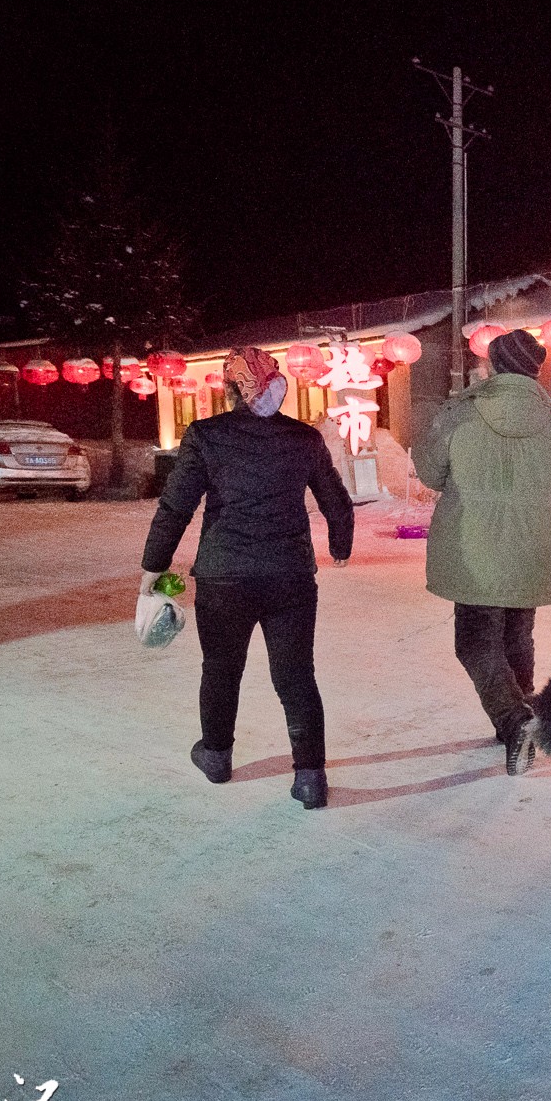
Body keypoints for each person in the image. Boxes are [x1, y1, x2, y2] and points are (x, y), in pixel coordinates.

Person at [140, 347, 354, 810]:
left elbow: (175, 505)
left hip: (225, 578)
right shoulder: (303, 438)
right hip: (290, 577)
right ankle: (310, 777)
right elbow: (335, 498)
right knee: (296, 675)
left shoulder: (205, 436)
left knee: (221, 668)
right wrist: (340, 546)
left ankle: (216, 756)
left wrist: (153, 568)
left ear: (232, 388)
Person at [412, 328, 551, 774]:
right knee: (515, 637)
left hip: (471, 546)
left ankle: (515, 722)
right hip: (532, 548)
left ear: (492, 364)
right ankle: (518, 721)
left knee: (475, 643)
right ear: (535, 369)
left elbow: (431, 473)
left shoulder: (459, 416)